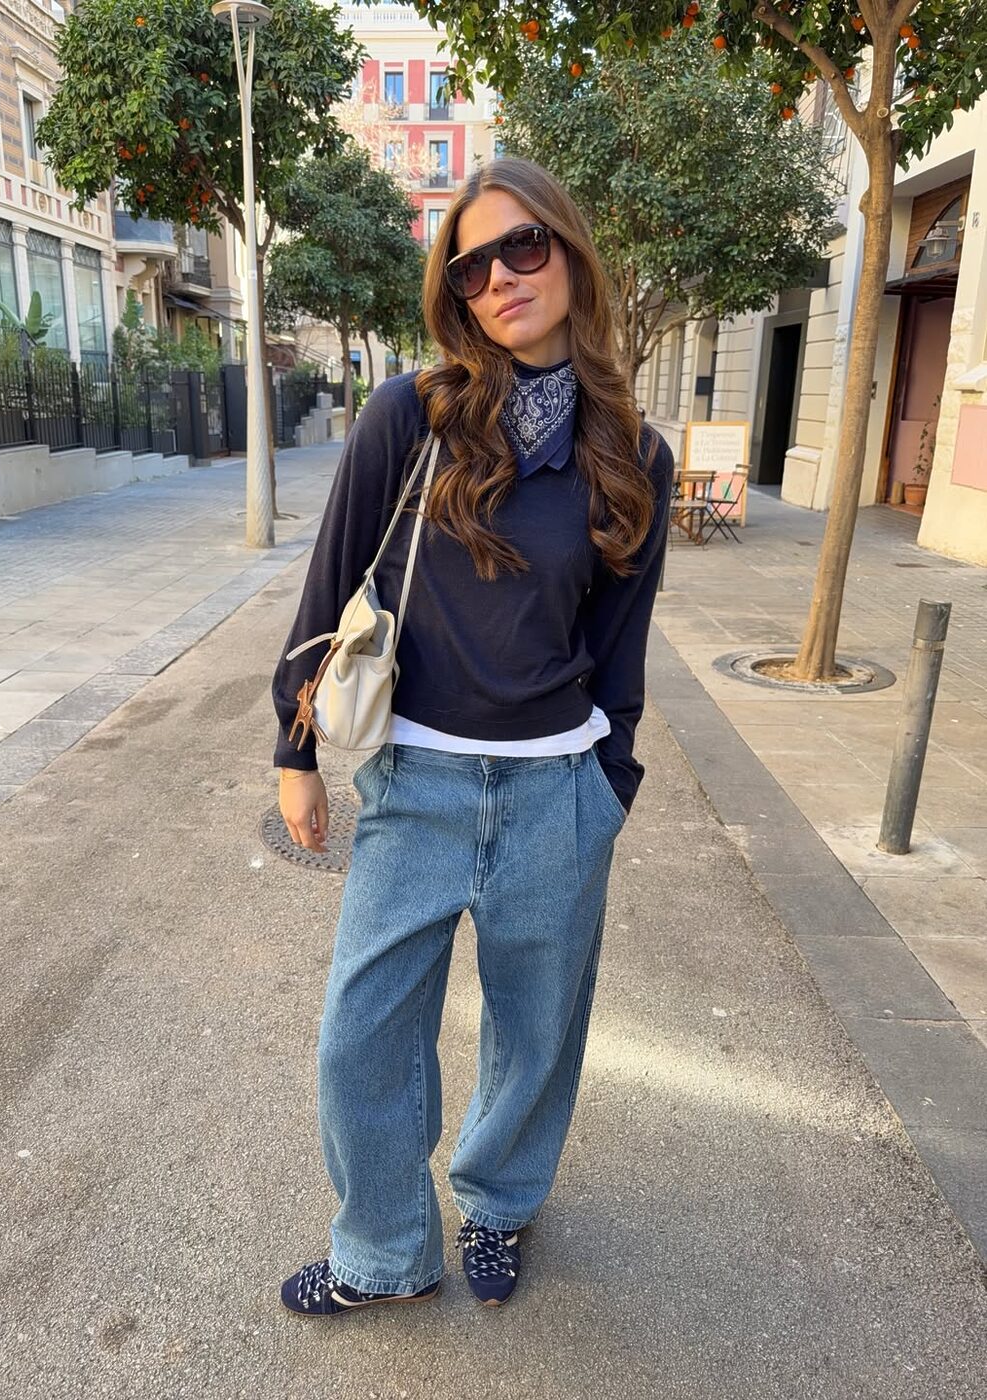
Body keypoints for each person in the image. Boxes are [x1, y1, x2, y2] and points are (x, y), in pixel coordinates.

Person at [271, 157, 673, 1317]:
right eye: (472, 264)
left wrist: (610, 781)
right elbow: (329, 582)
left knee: (535, 1032)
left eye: (522, 246)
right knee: (360, 1035)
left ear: (569, 252)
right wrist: (293, 748)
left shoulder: (632, 453)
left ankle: (497, 1201)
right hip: (417, 783)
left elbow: (620, 644)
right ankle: (384, 1250)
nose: (499, 276)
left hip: (558, 791)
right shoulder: (413, 417)